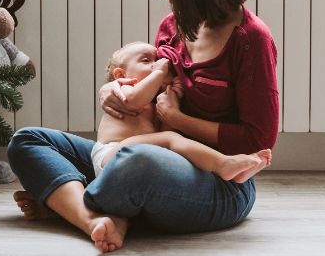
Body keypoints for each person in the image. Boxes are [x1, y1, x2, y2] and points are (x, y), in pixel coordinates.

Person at [8, 0, 279, 253]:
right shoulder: (173, 26)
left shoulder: (251, 39)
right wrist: (111, 88)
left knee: (137, 163)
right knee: (26, 141)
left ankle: (65, 202)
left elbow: (257, 140)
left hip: (217, 182)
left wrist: (179, 121)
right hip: (142, 152)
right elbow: (144, 89)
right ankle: (97, 219)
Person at [93, 42, 272, 183]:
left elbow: (163, 131)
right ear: (120, 74)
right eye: (146, 61)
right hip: (110, 154)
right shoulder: (123, 90)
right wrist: (160, 73)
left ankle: (236, 174)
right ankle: (223, 164)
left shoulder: (151, 103)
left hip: (134, 160)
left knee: (171, 140)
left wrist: (173, 99)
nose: (157, 64)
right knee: (171, 139)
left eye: (158, 60)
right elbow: (133, 102)